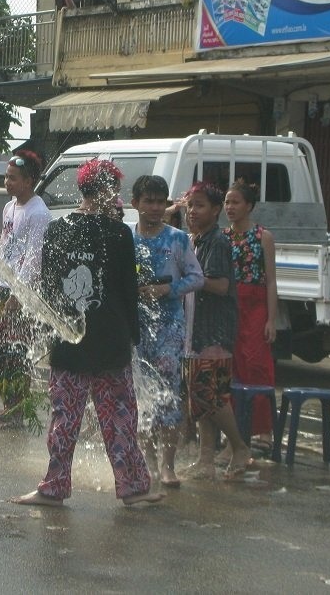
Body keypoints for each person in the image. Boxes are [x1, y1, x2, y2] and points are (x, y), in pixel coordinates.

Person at [11, 159, 161, 508]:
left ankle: (54, 486)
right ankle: (134, 487)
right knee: (119, 416)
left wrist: (52, 334)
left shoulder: (57, 229)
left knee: (64, 416)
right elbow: (128, 292)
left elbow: (48, 289)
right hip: (111, 340)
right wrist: (132, 339)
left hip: (68, 338)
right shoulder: (119, 232)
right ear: (106, 191)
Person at [130, 174, 204, 488]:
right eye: (149, 201)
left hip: (169, 330)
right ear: (134, 203)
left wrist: (168, 290)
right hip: (135, 328)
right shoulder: (126, 238)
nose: (156, 207)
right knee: (140, 398)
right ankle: (145, 460)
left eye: (161, 202)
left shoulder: (178, 239)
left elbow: (197, 278)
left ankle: (168, 465)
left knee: (169, 398)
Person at [177, 181, 249, 480]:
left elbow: (220, 285)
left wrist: (193, 277)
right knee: (200, 396)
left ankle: (239, 447)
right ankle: (206, 460)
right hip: (196, 329)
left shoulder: (217, 242)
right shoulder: (196, 239)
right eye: (190, 205)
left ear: (216, 211)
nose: (192, 211)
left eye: (200, 206)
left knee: (211, 395)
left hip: (213, 332)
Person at [0, 149, 50, 430]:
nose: (7, 183)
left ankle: (16, 409)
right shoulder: (9, 208)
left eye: (13, 178)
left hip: (20, 293)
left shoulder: (39, 213)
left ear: (29, 181)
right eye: (6, 177)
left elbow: (34, 259)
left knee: (15, 351)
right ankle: (7, 405)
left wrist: (17, 294)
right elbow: (5, 248)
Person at [224, 179, 278, 450]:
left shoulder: (262, 237)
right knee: (230, 366)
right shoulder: (223, 236)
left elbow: (270, 281)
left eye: (235, 202)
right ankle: (234, 428)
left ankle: (263, 431)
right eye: (226, 202)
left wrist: (271, 319)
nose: (230, 207)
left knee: (256, 365)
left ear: (249, 206)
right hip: (229, 307)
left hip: (256, 306)